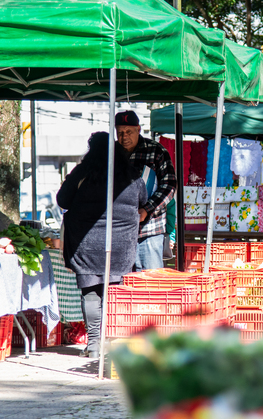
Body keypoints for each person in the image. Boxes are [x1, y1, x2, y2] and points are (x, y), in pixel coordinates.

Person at [57, 132, 148, 358]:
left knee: (90, 293)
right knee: (114, 294)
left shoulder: (82, 172)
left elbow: (62, 200)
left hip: (86, 243)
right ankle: (113, 342)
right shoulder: (132, 174)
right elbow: (143, 200)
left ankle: (95, 345)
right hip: (121, 245)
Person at [115, 110, 176, 271]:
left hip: (150, 230)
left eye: (129, 132)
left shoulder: (156, 151)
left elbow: (169, 186)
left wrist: (146, 209)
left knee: (152, 285)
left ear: (138, 129)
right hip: (119, 232)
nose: (124, 137)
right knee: (124, 286)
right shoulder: (110, 153)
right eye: (120, 132)